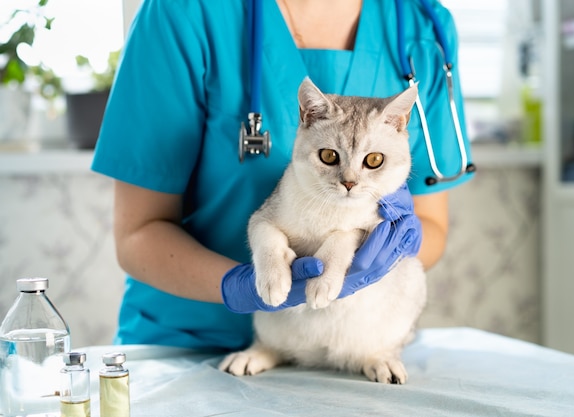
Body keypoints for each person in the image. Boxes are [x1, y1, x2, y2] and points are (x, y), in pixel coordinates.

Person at [91, 0, 474, 352]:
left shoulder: (422, 26)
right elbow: (137, 233)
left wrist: (382, 253)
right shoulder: (184, 12)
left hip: (339, 348)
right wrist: (238, 288)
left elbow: (431, 224)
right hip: (185, 343)